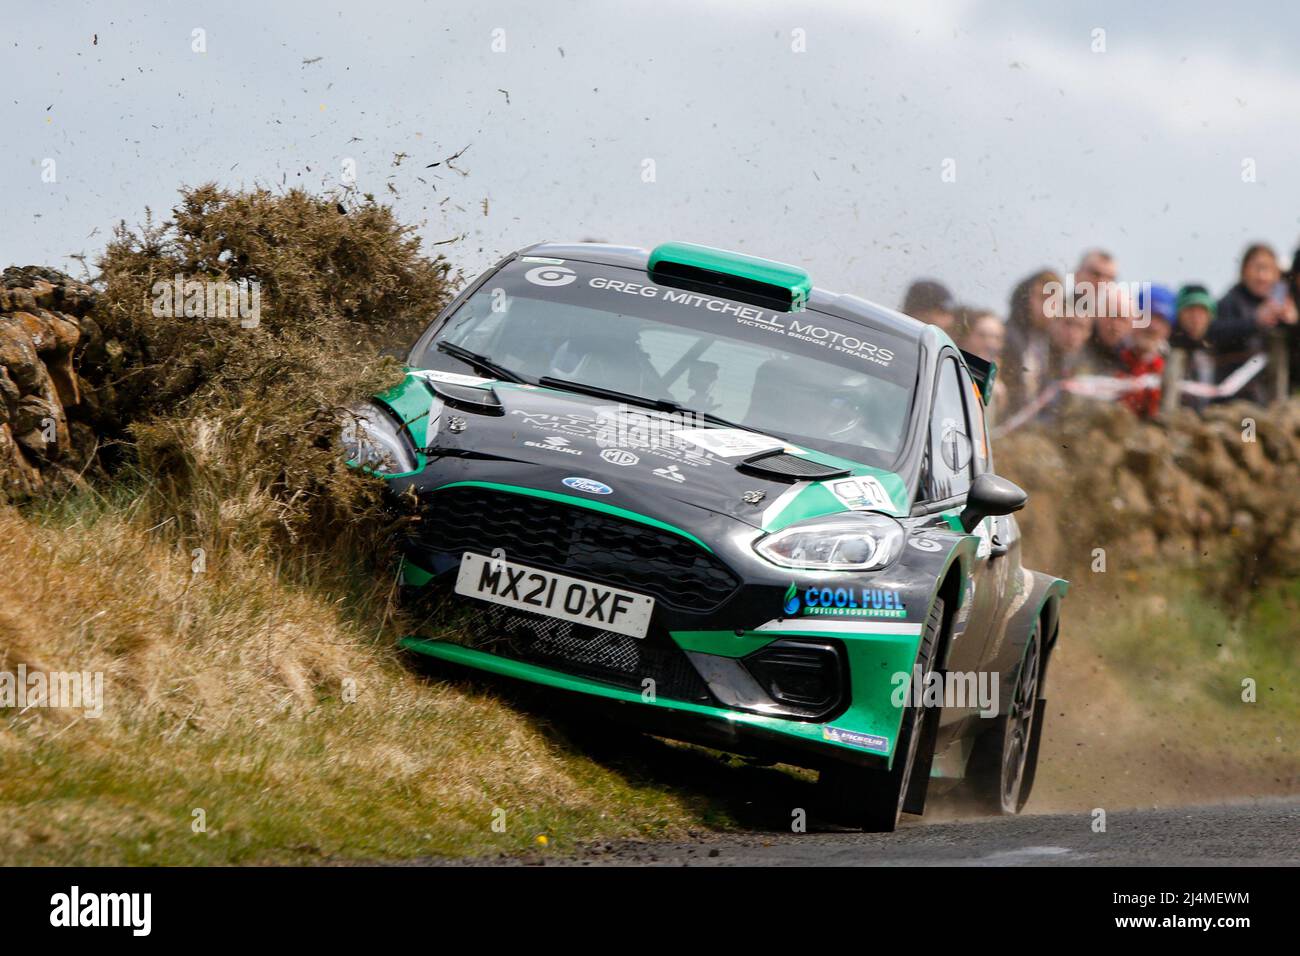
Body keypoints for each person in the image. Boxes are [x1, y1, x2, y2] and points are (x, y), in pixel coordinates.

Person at [1208, 243, 1298, 403]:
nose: (1262, 276)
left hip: (1273, 399)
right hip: (1233, 399)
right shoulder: (1230, 301)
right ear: (1244, 271)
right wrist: (1255, 322)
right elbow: (1213, 333)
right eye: (1257, 268)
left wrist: (1293, 325)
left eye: (1269, 269)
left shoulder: (1283, 304)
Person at [1002, 269, 1062, 410]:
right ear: (1027, 299)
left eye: (1054, 300)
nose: (1049, 306)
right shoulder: (1006, 337)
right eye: (1043, 298)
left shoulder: (1056, 344)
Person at [1116, 284, 1174, 418]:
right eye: (1148, 316)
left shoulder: (1173, 364)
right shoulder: (1112, 350)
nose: (1153, 327)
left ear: (1169, 329)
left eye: (1161, 320)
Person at [1167, 284, 1217, 411]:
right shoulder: (1165, 349)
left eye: (1202, 311)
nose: (1196, 318)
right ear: (1178, 314)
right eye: (1190, 310)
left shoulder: (1215, 349)